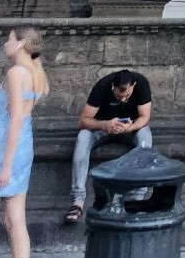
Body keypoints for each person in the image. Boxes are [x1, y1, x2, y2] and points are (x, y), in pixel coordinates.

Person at [0, 27, 48, 258]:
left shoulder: (16, 73)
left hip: (5, 148)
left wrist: (5, 165)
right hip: (22, 146)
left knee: (13, 221)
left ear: (21, 42)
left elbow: (13, 120)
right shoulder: (35, 73)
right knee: (14, 220)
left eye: (10, 38)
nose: (5, 43)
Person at [63, 67, 152, 225]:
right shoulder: (102, 86)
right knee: (83, 136)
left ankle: (137, 198)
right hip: (103, 128)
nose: (123, 99)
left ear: (134, 85)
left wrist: (130, 127)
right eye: (119, 96)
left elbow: (145, 117)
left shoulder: (141, 84)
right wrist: (105, 125)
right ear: (113, 87)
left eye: (127, 96)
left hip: (129, 128)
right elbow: (83, 120)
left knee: (145, 136)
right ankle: (78, 200)